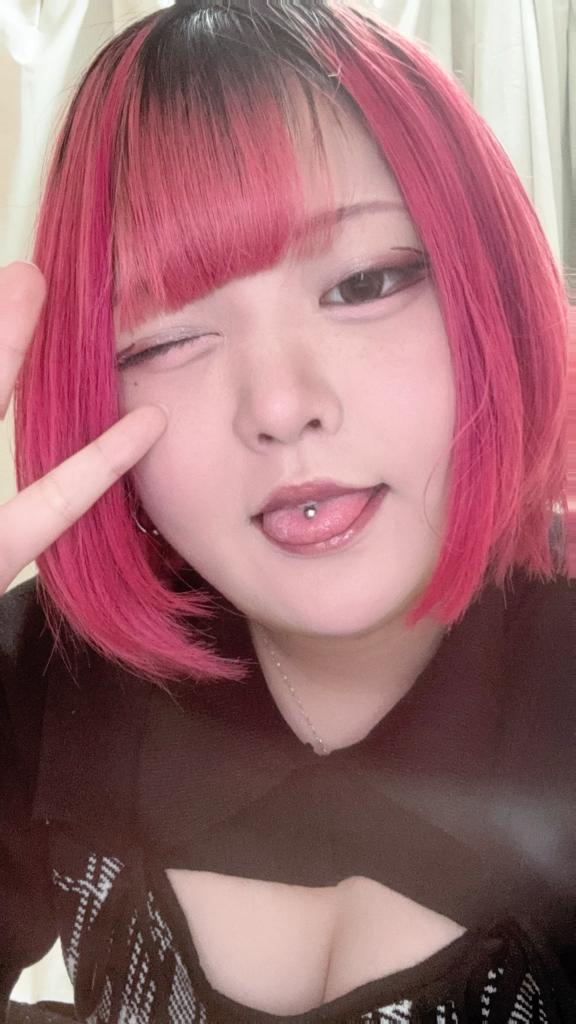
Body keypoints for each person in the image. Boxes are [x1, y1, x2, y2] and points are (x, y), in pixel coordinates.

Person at [1, 1, 574, 1021]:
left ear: (488, 287)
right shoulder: (46, 676)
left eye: (364, 282)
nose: (278, 405)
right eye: (164, 340)